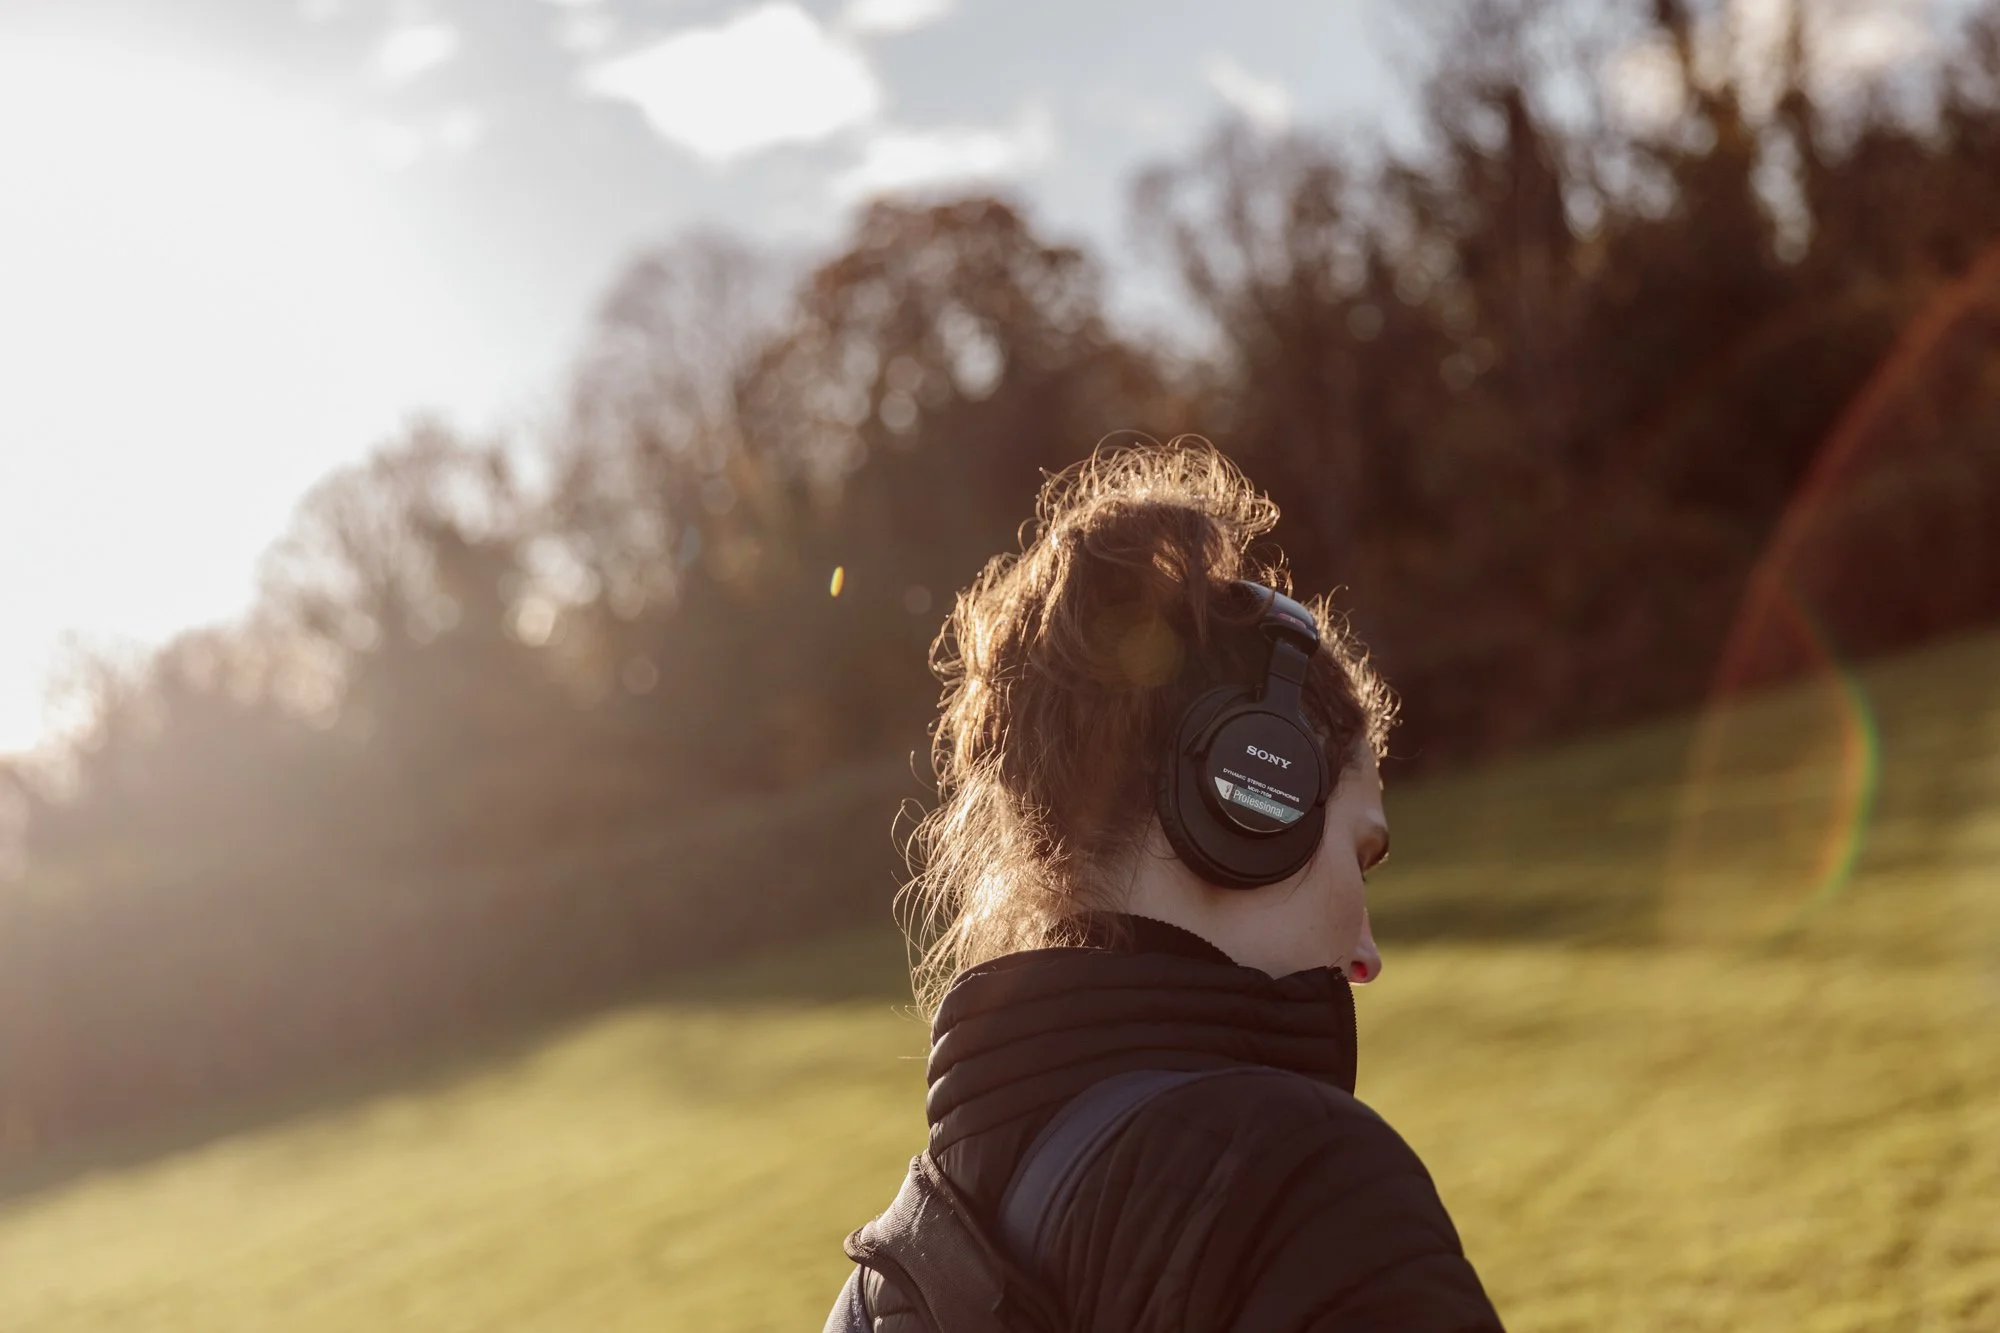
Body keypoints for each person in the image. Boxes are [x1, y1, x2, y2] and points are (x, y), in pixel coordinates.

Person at [853, 442, 1502, 1330]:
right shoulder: (1307, 1187)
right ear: (1251, 807)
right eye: (1362, 854)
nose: (1367, 953)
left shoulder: (892, 1274)